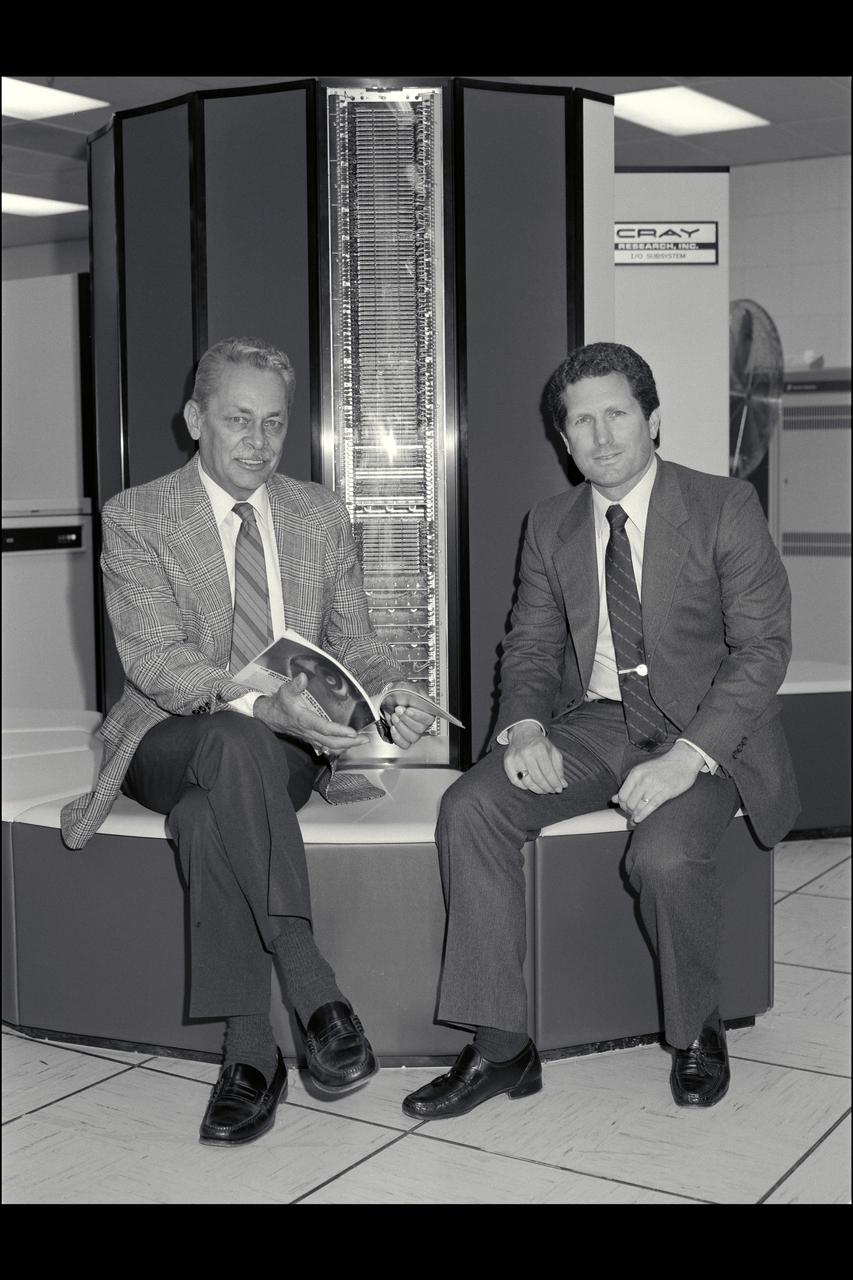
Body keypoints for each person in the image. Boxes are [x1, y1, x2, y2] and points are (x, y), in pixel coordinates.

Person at [402, 341, 799, 1121]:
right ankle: (500, 1044)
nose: (600, 435)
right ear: (562, 439)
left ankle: (695, 1029)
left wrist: (689, 756)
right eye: (579, 422)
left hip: (706, 726)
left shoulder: (722, 507)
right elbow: (530, 646)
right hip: (598, 722)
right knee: (469, 808)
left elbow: (761, 650)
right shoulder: (549, 524)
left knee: (661, 853)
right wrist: (519, 729)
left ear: (652, 421)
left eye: (616, 413)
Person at [60, 336, 433, 1146]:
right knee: (231, 738)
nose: (258, 443)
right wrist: (261, 707)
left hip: (281, 755)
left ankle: (250, 1054)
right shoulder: (137, 516)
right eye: (238, 420)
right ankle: (313, 988)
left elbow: (356, 641)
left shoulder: (319, 514)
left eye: (272, 423)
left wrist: (391, 689)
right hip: (168, 735)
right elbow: (158, 662)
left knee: (206, 819)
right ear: (195, 419)